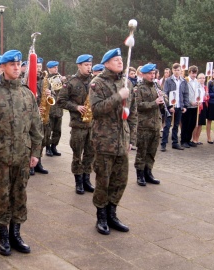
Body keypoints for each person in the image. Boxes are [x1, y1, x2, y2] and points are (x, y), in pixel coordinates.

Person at [0, 50, 43, 256]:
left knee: (20, 195)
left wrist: (36, 152)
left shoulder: (27, 93)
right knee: (2, 197)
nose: (16, 67)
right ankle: (3, 236)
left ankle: (16, 234)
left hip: (22, 155)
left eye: (19, 64)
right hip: (0, 157)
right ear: (3, 67)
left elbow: (36, 126)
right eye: (12, 64)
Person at [90, 48, 137, 235]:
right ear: (106, 63)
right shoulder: (97, 83)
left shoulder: (127, 84)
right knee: (103, 180)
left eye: (121, 59)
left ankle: (112, 213)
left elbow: (132, 113)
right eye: (115, 60)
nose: (120, 62)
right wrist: (119, 96)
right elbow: (97, 109)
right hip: (104, 140)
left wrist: (131, 138)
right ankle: (101, 216)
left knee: (120, 180)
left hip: (122, 140)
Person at [57, 54, 95, 194]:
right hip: (78, 125)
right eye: (86, 65)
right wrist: (76, 107)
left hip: (91, 124)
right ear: (79, 65)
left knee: (90, 154)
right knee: (77, 155)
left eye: (90, 65)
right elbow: (60, 101)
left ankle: (87, 180)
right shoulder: (71, 82)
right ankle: (78, 182)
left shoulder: (94, 81)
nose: (89, 67)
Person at [134, 63, 161, 186]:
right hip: (144, 125)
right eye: (150, 74)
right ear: (143, 75)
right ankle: (140, 175)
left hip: (155, 124)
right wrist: (154, 103)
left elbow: (163, 99)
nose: (152, 75)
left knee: (152, 151)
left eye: (153, 73)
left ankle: (148, 172)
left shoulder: (156, 86)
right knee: (142, 151)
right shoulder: (139, 88)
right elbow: (138, 106)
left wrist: (163, 99)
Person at [161, 63, 188, 151]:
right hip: (170, 107)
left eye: (178, 70)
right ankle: (163, 144)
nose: (177, 72)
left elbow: (185, 94)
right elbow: (165, 94)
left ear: (181, 71)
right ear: (172, 71)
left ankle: (175, 142)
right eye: (175, 70)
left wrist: (185, 106)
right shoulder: (168, 80)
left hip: (179, 106)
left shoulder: (183, 81)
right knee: (167, 125)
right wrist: (169, 106)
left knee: (176, 125)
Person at [30, 57, 49, 175]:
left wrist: (49, 94)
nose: (38, 69)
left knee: (41, 139)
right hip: (32, 115)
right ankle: (30, 163)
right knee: (32, 139)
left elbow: (53, 99)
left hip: (43, 115)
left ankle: (39, 162)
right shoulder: (26, 80)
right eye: (36, 67)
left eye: (40, 67)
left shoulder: (44, 80)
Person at [45, 60, 63, 157]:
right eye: (54, 67)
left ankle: (54, 146)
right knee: (48, 130)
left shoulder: (59, 78)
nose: (56, 68)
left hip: (59, 109)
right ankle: (48, 148)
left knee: (57, 130)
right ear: (49, 68)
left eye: (57, 67)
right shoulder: (45, 79)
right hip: (50, 109)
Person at [181, 65, 202, 148]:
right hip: (187, 106)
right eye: (192, 73)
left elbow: (199, 92)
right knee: (185, 123)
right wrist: (190, 102)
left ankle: (188, 139)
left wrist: (199, 100)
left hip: (195, 106)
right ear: (189, 72)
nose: (194, 75)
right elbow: (184, 94)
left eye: (195, 73)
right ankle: (183, 140)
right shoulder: (185, 81)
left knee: (192, 124)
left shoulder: (197, 82)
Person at [192, 73, 208, 145]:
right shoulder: (195, 86)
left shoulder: (205, 87)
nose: (202, 79)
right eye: (200, 78)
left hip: (203, 105)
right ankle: (194, 138)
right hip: (197, 105)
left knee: (201, 123)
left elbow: (207, 97)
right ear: (197, 79)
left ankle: (197, 138)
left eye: (203, 78)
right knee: (196, 123)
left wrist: (206, 97)